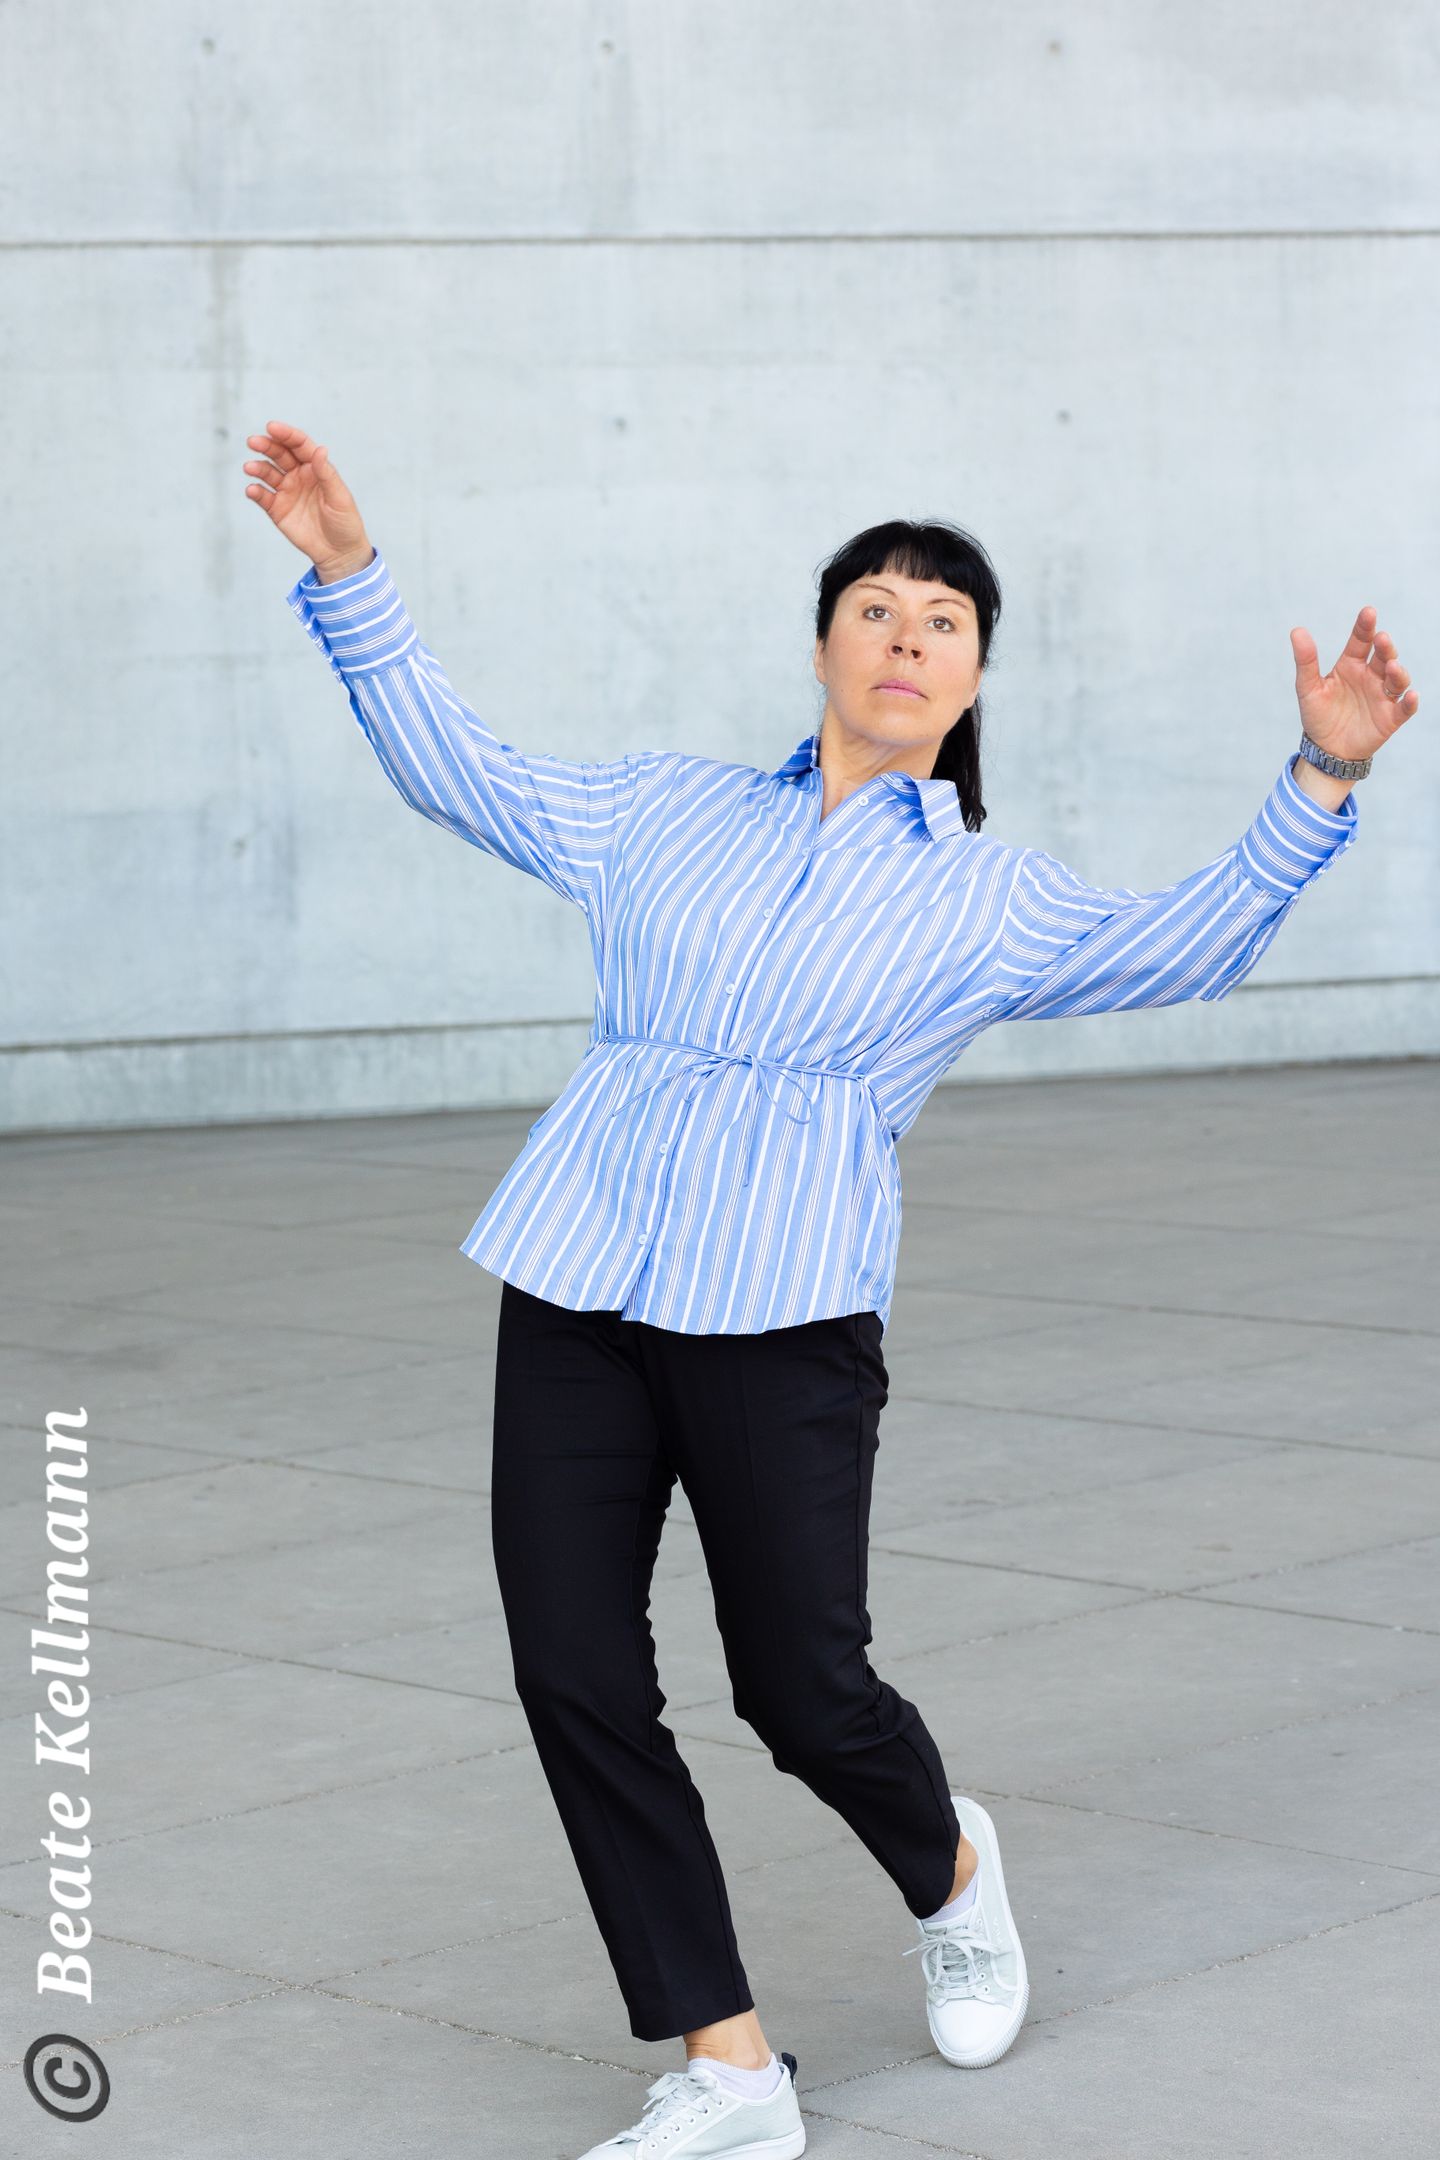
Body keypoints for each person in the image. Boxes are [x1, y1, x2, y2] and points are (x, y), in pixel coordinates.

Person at [245, 419, 1415, 2160]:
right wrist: (350, 571)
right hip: (576, 1277)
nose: (904, 636)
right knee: (573, 1672)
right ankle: (727, 2067)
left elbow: (1186, 940)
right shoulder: (664, 810)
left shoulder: (986, 901)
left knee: (802, 1690)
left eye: (943, 621)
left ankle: (947, 1866)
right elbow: (460, 767)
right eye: (875, 607)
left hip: (785, 1311)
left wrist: (1319, 775)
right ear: (821, 647)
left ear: (973, 681)